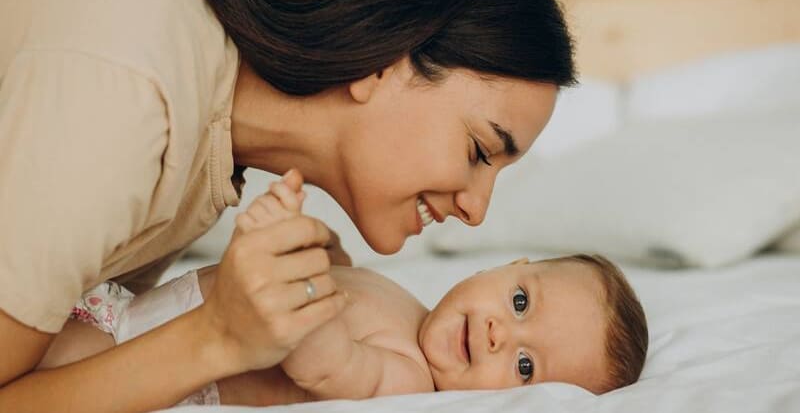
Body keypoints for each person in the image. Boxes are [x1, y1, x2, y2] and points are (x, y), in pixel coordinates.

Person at [0, 0, 576, 410]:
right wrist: (218, 335)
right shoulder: (133, 97)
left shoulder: (211, 158)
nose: (478, 211)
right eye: (479, 151)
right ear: (382, 62)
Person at [39, 177, 649, 407]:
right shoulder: (408, 306)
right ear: (510, 267)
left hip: (150, 372)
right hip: (128, 316)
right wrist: (327, 253)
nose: (499, 333)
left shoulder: (409, 378)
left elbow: (326, 363)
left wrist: (287, 256)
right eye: (520, 303)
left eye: (524, 365)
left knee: (35, 373)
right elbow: (349, 290)